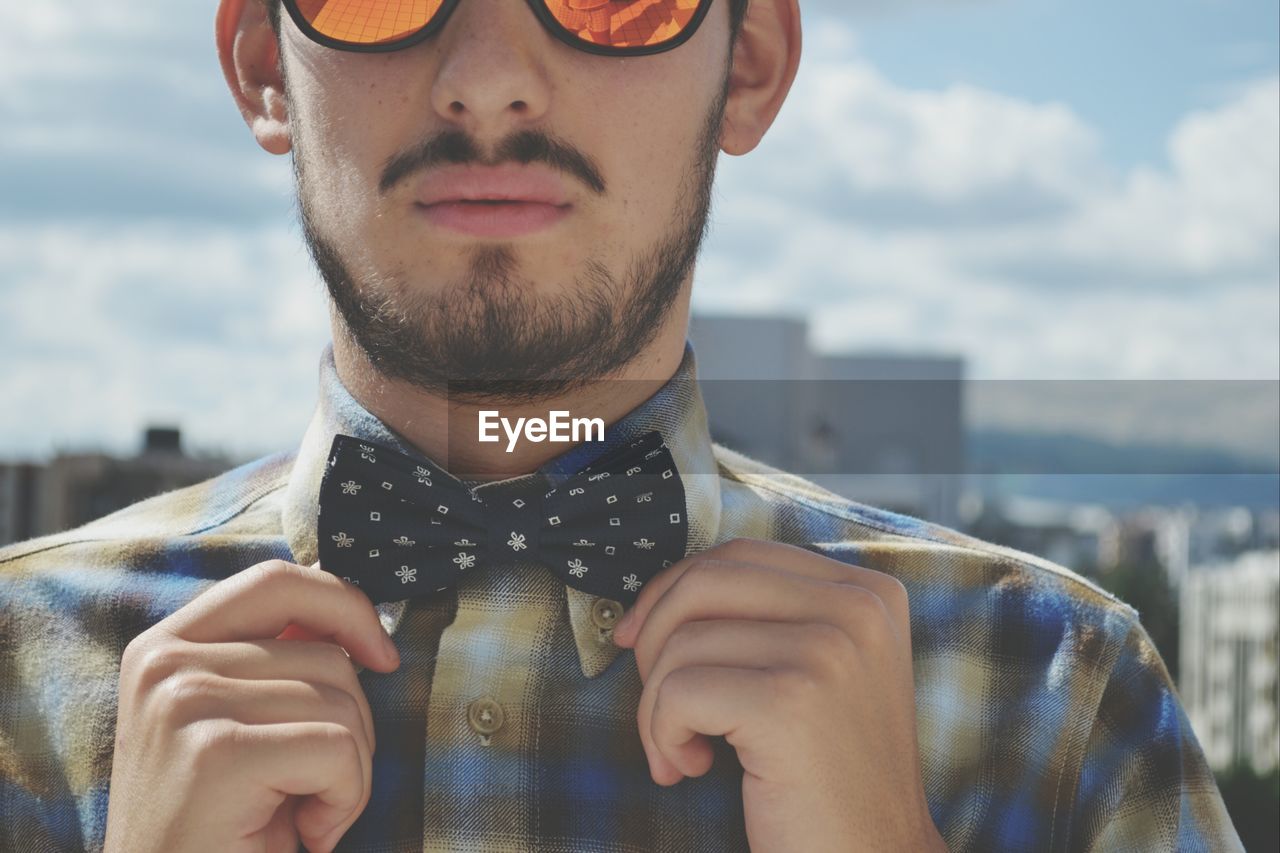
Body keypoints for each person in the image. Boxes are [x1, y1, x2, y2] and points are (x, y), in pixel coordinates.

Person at [0, 0, 1244, 850]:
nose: (486, 79)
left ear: (746, 64)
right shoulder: (18, 675)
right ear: (265, 66)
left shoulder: (1065, 690)